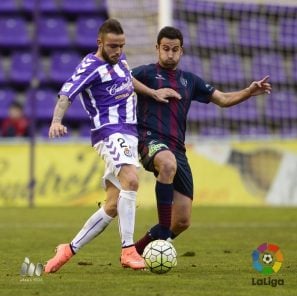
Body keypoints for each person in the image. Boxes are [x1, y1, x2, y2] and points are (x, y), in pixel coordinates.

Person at [44, 19, 179, 273]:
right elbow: (66, 93)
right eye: (113, 46)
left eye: (121, 46)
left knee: (113, 205)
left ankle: (68, 249)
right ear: (100, 43)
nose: (118, 51)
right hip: (110, 132)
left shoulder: (120, 60)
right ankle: (128, 250)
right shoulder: (91, 66)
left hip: (129, 133)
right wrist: (56, 120)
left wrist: (152, 93)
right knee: (132, 180)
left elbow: (128, 81)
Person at [132, 26, 272, 254]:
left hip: (178, 149)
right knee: (167, 164)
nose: (170, 54)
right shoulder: (146, 74)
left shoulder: (190, 81)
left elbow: (223, 99)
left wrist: (248, 91)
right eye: (165, 49)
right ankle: (161, 239)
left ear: (182, 51)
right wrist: (150, 92)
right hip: (150, 140)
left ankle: (135, 251)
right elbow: (119, 80)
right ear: (157, 48)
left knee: (183, 221)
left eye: (174, 50)